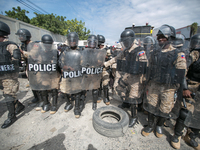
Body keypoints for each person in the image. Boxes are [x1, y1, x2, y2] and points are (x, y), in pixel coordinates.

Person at [142, 24, 187, 138]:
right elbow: (148, 66)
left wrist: (171, 76)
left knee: (165, 108)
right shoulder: (154, 52)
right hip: (154, 85)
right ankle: (151, 125)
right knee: (151, 105)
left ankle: (159, 126)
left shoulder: (178, 53)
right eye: (159, 37)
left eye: (164, 37)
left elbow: (182, 71)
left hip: (168, 87)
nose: (161, 39)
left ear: (170, 38)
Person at [104, 29, 148, 127]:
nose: (125, 43)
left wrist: (143, 81)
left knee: (133, 98)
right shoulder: (126, 51)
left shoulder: (139, 51)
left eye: (126, 41)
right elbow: (116, 58)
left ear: (131, 40)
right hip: (126, 77)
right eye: (124, 42)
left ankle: (134, 117)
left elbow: (143, 67)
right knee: (122, 91)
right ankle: (125, 103)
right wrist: (105, 64)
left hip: (135, 80)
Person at [171, 33, 200, 149]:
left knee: (198, 114)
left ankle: (191, 136)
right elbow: (182, 70)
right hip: (191, 85)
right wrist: (185, 87)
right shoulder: (194, 54)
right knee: (185, 112)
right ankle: (177, 135)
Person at [21, 34, 60, 114]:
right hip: (43, 73)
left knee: (54, 90)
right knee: (43, 89)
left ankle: (54, 105)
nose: (48, 46)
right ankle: (46, 103)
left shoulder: (54, 52)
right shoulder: (39, 52)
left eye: (49, 44)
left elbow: (57, 62)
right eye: (46, 44)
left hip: (53, 73)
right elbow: (34, 60)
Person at [0, 21, 22, 128]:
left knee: (8, 95)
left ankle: (12, 116)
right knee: (7, 93)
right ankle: (19, 106)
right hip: (1, 75)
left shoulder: (10, 45)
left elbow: (17, 59)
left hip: (9, 76)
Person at [59, 32, 82, 118]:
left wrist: (78, 67)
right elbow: (60, 62)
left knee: (77, 91)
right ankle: (69, 103)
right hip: (67, 74)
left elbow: (84, 62)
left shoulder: (81, 51)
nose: (72, 42)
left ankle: (77, 108)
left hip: (77, 75)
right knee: (65, 90)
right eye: (70, 41)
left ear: (76, 41)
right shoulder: (65, 52)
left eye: (74, 41)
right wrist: (67, 67)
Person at [15, 28, 40, 104]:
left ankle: (42, 98)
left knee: (38, 82)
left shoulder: (34, 45)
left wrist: (22, 52)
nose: (20, 38)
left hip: (36, 66)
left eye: (21, 36)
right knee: (32, 82)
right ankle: (36, 97)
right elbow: (23, 57)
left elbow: (33, 55)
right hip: (28, 66)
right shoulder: (23, 45)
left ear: (26, 36)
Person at [97, 34, 111, 105]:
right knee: (98, 84)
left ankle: (106, 97)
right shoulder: (95, 50)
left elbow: (110, 58)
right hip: (97, 70)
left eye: (102, 44)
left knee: (105, 84)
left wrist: (106, 57)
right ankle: (99, 96)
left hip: (105, 70)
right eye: (100, 44)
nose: (102, 45)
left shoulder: (107, 50)